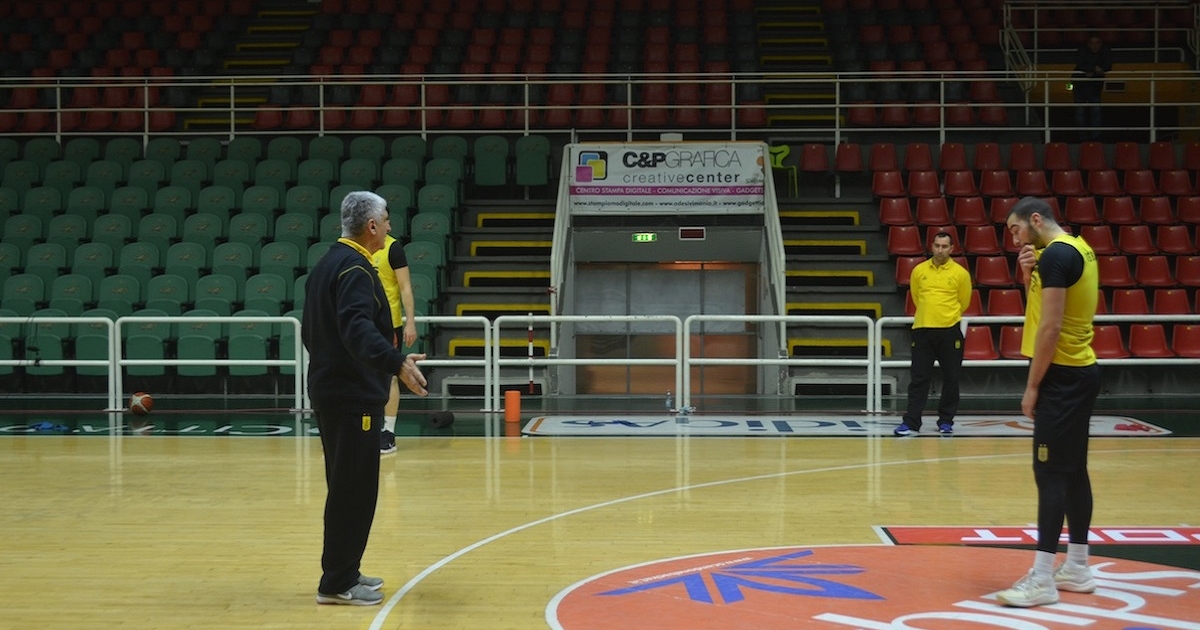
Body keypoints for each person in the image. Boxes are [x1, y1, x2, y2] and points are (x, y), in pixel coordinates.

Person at [302, 191, 428, 606]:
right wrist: (396, 362)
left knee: (347, 487)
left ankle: (346, 570)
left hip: (332, 391)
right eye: (386, 220)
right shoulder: (355, 269)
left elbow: (313, 332)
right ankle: (336, 582)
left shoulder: (328, 263)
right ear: (371, 226)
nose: (390, 227)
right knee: (353, 491)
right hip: (351, 397)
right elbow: (357, 329)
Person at [996, 196, 1101, 608]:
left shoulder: (1056, 256)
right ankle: (1077, 567)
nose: (1015, 239)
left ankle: (1042, 578)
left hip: (1061, 376)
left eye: (1016, 229)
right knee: (1073, 472)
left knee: (1050, 475)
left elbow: (1051, 328)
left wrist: (1032, 385)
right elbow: (1041, 312)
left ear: (1036, 220)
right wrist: (1027, 277)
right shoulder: (1077, 247)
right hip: (1080, 372)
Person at [894, 231, 971, 437]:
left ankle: (946, 421)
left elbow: (964, 301)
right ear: (931, 246)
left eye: (944, 246)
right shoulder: (919, 270)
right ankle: (911, 422)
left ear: (952, 249)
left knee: (951, 378)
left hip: (950, 330)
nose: (940, 250)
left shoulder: (961, 274)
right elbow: (917, 297)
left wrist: (945, 317)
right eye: (937, 245)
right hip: (923, 330)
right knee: (919, 378)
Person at [373, 228, 418, 455]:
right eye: (385, 220)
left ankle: (388, 432)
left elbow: (405, 287)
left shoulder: (393, 248)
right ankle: (365, 429)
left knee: (390, 377)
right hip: (362, 323)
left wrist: (410, 322)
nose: (388, 226)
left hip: (389, 324)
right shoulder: (356, 248)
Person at [1072, 34, 1112, 140]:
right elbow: (1079, 64)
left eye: (1097, 43)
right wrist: (1094, 68)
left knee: (1096, 112)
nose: (1094, 46)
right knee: (1080, 112)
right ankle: (1082, 138)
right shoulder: (1082, 51)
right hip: (1080, 85)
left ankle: (1096, 138)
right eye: (1092, 43)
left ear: (1101, 44)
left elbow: (1108, 66)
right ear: (1088, 44)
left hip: (1095, 86)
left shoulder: (1105, 51)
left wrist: (1091, 70)